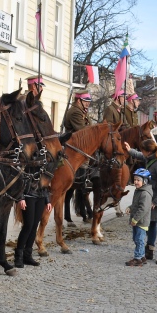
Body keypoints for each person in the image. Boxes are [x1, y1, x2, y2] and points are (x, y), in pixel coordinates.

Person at [124, 139, 157, 265]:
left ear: (149, 151)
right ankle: (149, 249)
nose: (141, 152)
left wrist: (156, 202)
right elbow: (141, 156)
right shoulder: (151, 157)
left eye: (143, 150)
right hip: (151, 196)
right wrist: (130, 151)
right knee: (151, 223)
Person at [63, 91, 92, 225]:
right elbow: (82, 131)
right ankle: (83, 179)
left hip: (77, 142)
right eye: (85, 101)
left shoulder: (81, 111)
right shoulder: (75, 112)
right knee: (86, 160)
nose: (88, 103)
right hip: (74, 143)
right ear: (78, 100)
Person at [14, 181, 52, 268]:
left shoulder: (43, 167)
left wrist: (47, 200)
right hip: (28, 196)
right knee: (28, 226)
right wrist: (21, 198)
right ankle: (18, 257)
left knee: (34, 226)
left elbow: (45, 181)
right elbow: (22, 179)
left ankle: (27, 255)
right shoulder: (28, 166)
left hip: (41, 197)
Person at [125, 168, 152, 266]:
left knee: (139, 240)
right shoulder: (139, 191)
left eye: (138, 180)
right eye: (135, 179)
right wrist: (130, 208)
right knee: (136, 239)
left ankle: (138, 258)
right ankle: (142, 256)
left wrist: (135, 219)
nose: (135, 182)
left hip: (141, 222)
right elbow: (136, 204)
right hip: (137, 221)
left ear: (145, 181)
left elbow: (143, 209)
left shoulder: (145, 193)